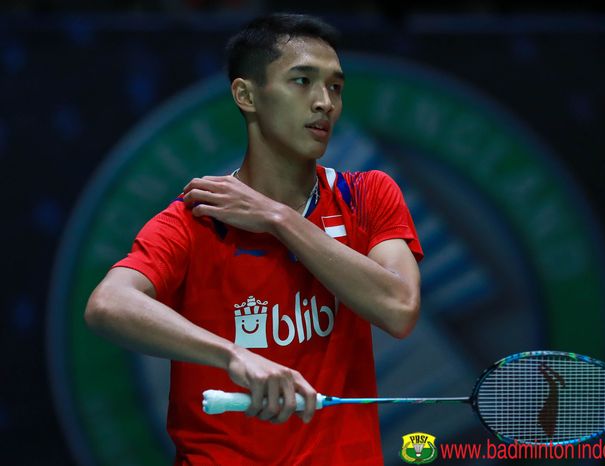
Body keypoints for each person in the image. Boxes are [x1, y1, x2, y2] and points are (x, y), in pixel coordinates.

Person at [85, 13, 423, 465]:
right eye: (302, 81)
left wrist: (278, 219)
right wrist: (232, 356)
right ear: (246, 95)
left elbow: (399, 309)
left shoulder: (366, 196)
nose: (324, 102)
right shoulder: (196, 218)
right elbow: (108, 305)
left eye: (335, 87)